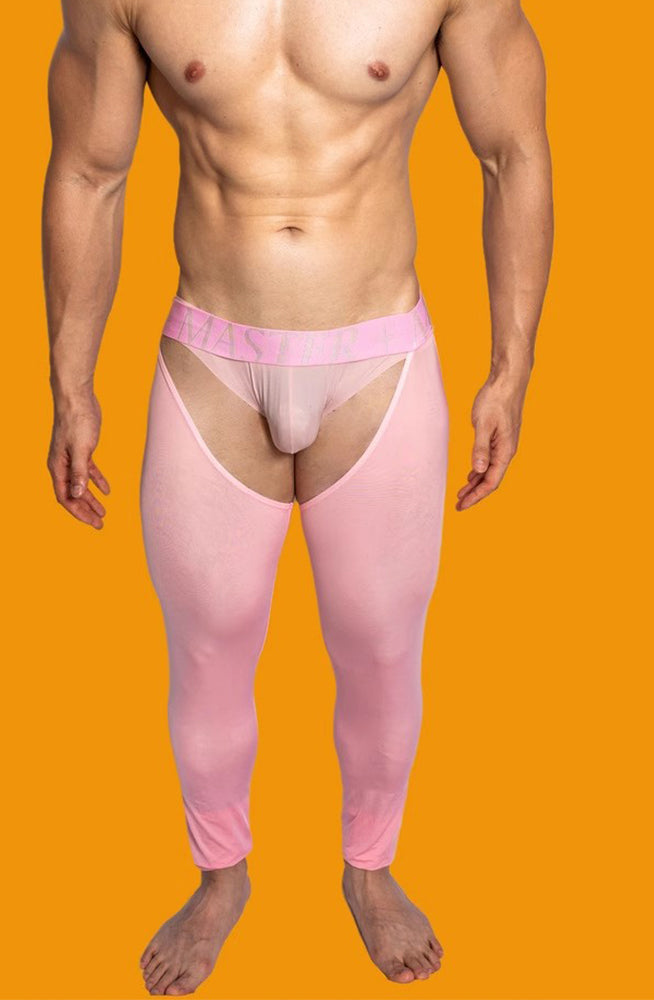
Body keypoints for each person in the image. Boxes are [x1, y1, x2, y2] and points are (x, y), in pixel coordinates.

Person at [42, 0, 553, 993]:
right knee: (208, 644)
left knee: (379, 644)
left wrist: (512, 364)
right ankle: (220, 876)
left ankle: (370, 866)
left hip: (376, 356)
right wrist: (70, 381)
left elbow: (514, 152)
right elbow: (88, 171)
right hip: (211, 356)